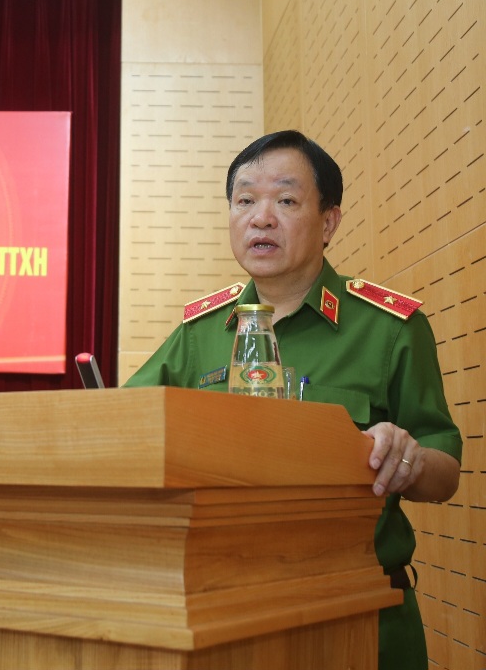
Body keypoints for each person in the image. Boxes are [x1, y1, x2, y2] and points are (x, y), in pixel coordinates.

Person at [123, 130, 462, 670]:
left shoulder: (389, 329)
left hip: (359, 616)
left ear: (328, 222)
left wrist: (409, 459)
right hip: (225, 619)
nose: (261, 219)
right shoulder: (198, 334)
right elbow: (126, 430)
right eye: (244, 201)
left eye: (285, 200)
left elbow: (446, 473)